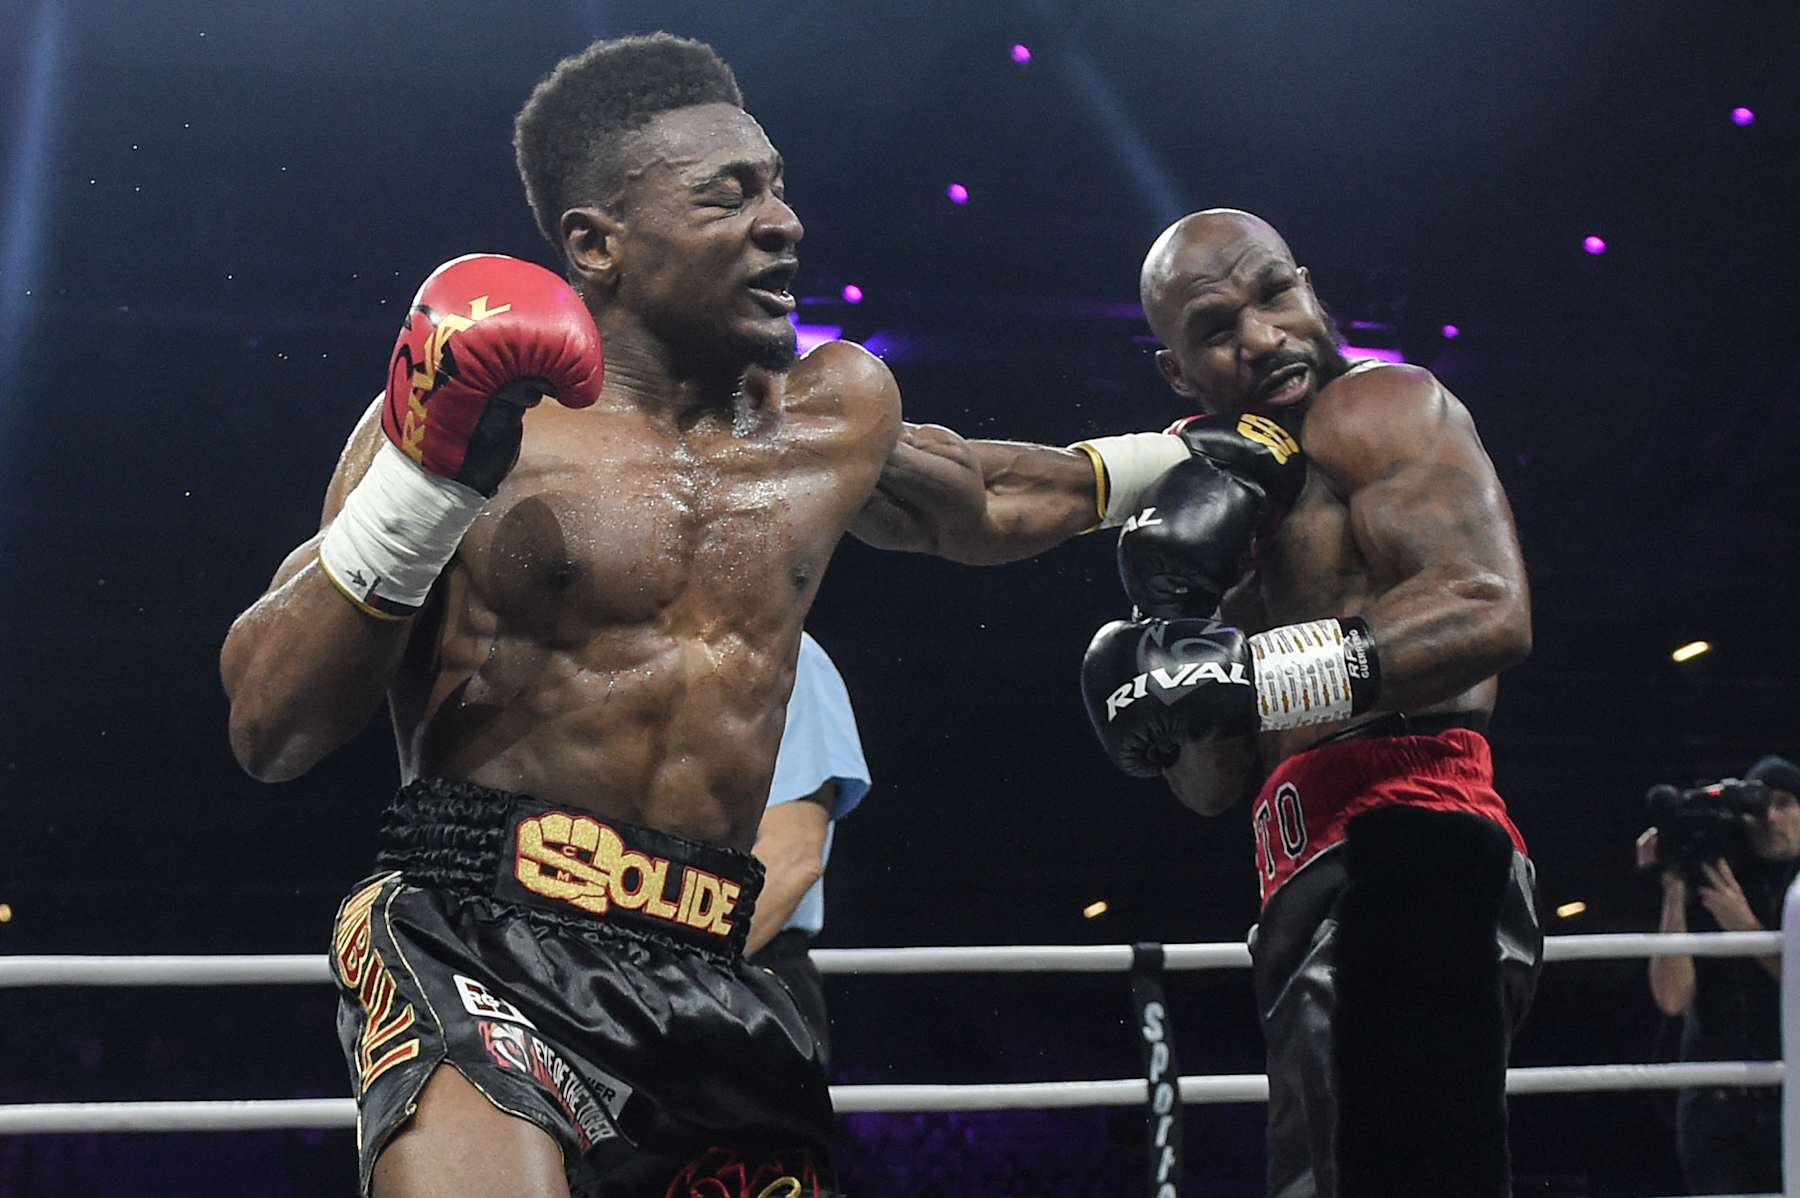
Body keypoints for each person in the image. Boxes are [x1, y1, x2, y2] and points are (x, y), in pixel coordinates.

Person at [220, 33, 904, 1198]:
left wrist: (1166, 465)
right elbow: (268, 724)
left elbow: (990, 492)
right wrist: (423, 489)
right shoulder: (483, 425)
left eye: (780, 186)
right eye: (729, 195)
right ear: (598, 245)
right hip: (478, 933)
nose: (783, 221)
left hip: (718, 969)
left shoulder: (823, 422)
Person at [857, 209, 1542, 1197]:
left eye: (1275, 294)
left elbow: (1488, 611)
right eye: (1218, 329)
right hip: (1310, 877)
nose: (1262, 336)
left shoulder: (1384, 405)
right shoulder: (1196, 475)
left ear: (1310, 287)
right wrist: (1172, 646)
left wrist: (1245, 673)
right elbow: (999, 499)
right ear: (1176, 369)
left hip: (1417, 848)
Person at [1641, 754, 1800, 1193]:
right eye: (1758, 806)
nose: (1770, 817)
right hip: (1713, 1097)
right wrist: (1673, 885)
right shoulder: (1714, 878)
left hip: (1792, 1093)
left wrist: (1746, 929)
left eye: (1785, 803)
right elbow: (1672, 999)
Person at [743, 632, 872, 1072]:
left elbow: (791, 857)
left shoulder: (785, 655)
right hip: (615, 972)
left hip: (743, 975)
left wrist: (670, 976)